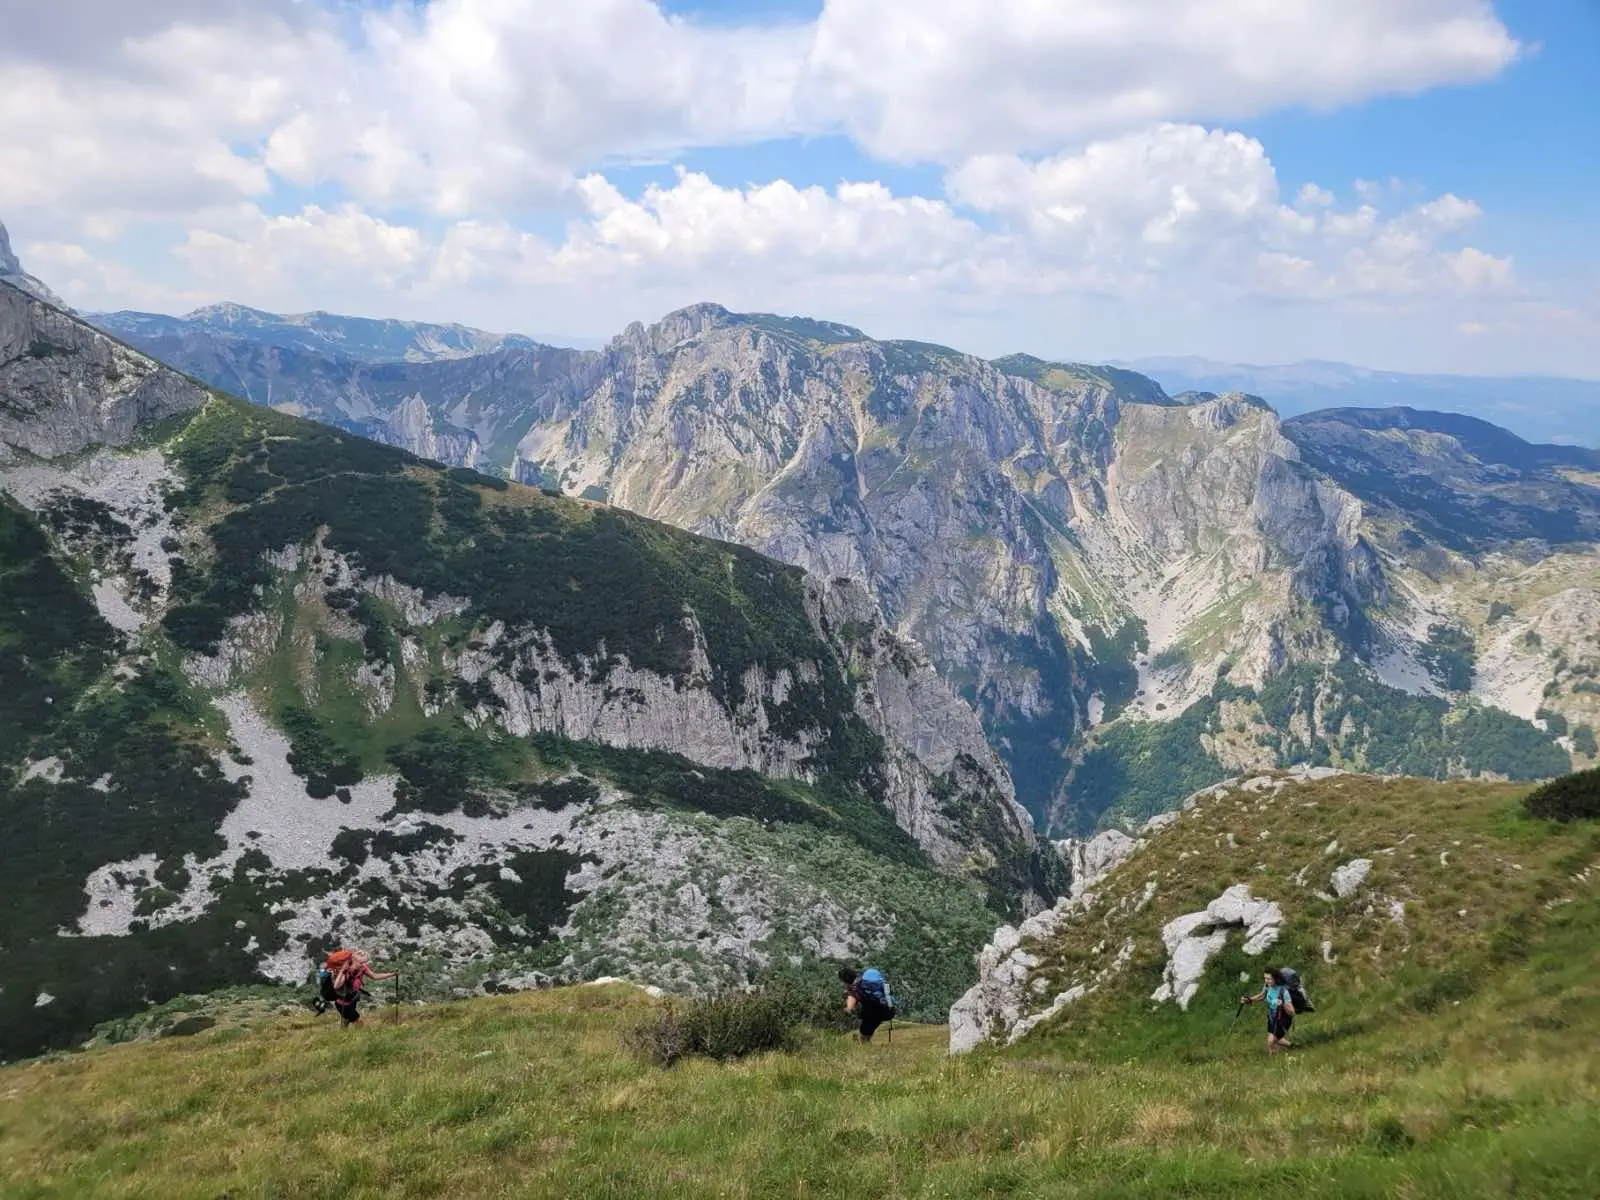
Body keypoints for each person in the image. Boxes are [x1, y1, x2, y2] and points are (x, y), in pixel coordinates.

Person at [324, 949, 398, 1028]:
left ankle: (342, 1034)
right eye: (361, 962)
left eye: (365, 962)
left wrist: (392, 974)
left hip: (353, 999)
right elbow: (336, 986)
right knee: (358, 1022)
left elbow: (375, 976)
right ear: (354, 960)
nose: (363, 964)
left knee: (346, 1019)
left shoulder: (362, 968)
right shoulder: (346, 971)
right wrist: (342, 971)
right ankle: (359, 1037)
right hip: (342, 1003)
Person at [1241, 967, 1295, 1056]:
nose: (1266, 981)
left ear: (1276, 978)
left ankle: (1271, 1060)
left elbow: (1292, 1012)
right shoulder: (1268, 986)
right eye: (1265, 978)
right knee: (1275, 1038)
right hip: (1272, 1016)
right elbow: (1262, 996)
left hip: (1283, 1018)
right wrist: (1249, 999)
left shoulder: (1283, 992)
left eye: (1269, 979)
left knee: (1271, 1041)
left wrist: (1282, 1005)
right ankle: (1292, 1046)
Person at [838, 967, 895, 1043]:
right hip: (889, 1010)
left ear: (845, 981)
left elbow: (850, 1008)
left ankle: (867, 1048)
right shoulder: (868, 982)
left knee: (864, 1037)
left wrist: (848, 1009)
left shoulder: (855, 989)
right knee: (867, 1028)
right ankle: (868, 1044)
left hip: (873, 1013)